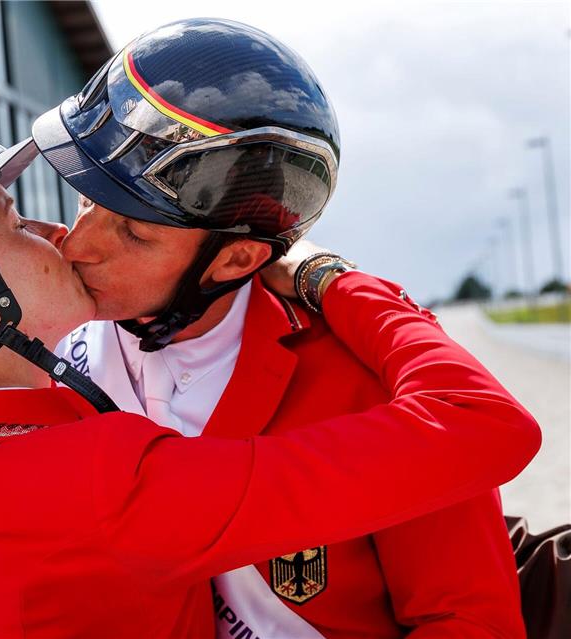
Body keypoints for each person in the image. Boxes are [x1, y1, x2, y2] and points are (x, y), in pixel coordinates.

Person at [0, 115, 539, 638]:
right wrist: (333, 277)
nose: (67, 233)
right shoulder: (106, 482)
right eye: (18, 222)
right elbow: (487, 425)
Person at [31, 18, 530, 637]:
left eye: (134, 232)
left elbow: (467, 618)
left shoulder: (364, 381)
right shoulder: (28, 354)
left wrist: (331, 280)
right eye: (85, 201)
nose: (78, 249)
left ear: (237, 258)